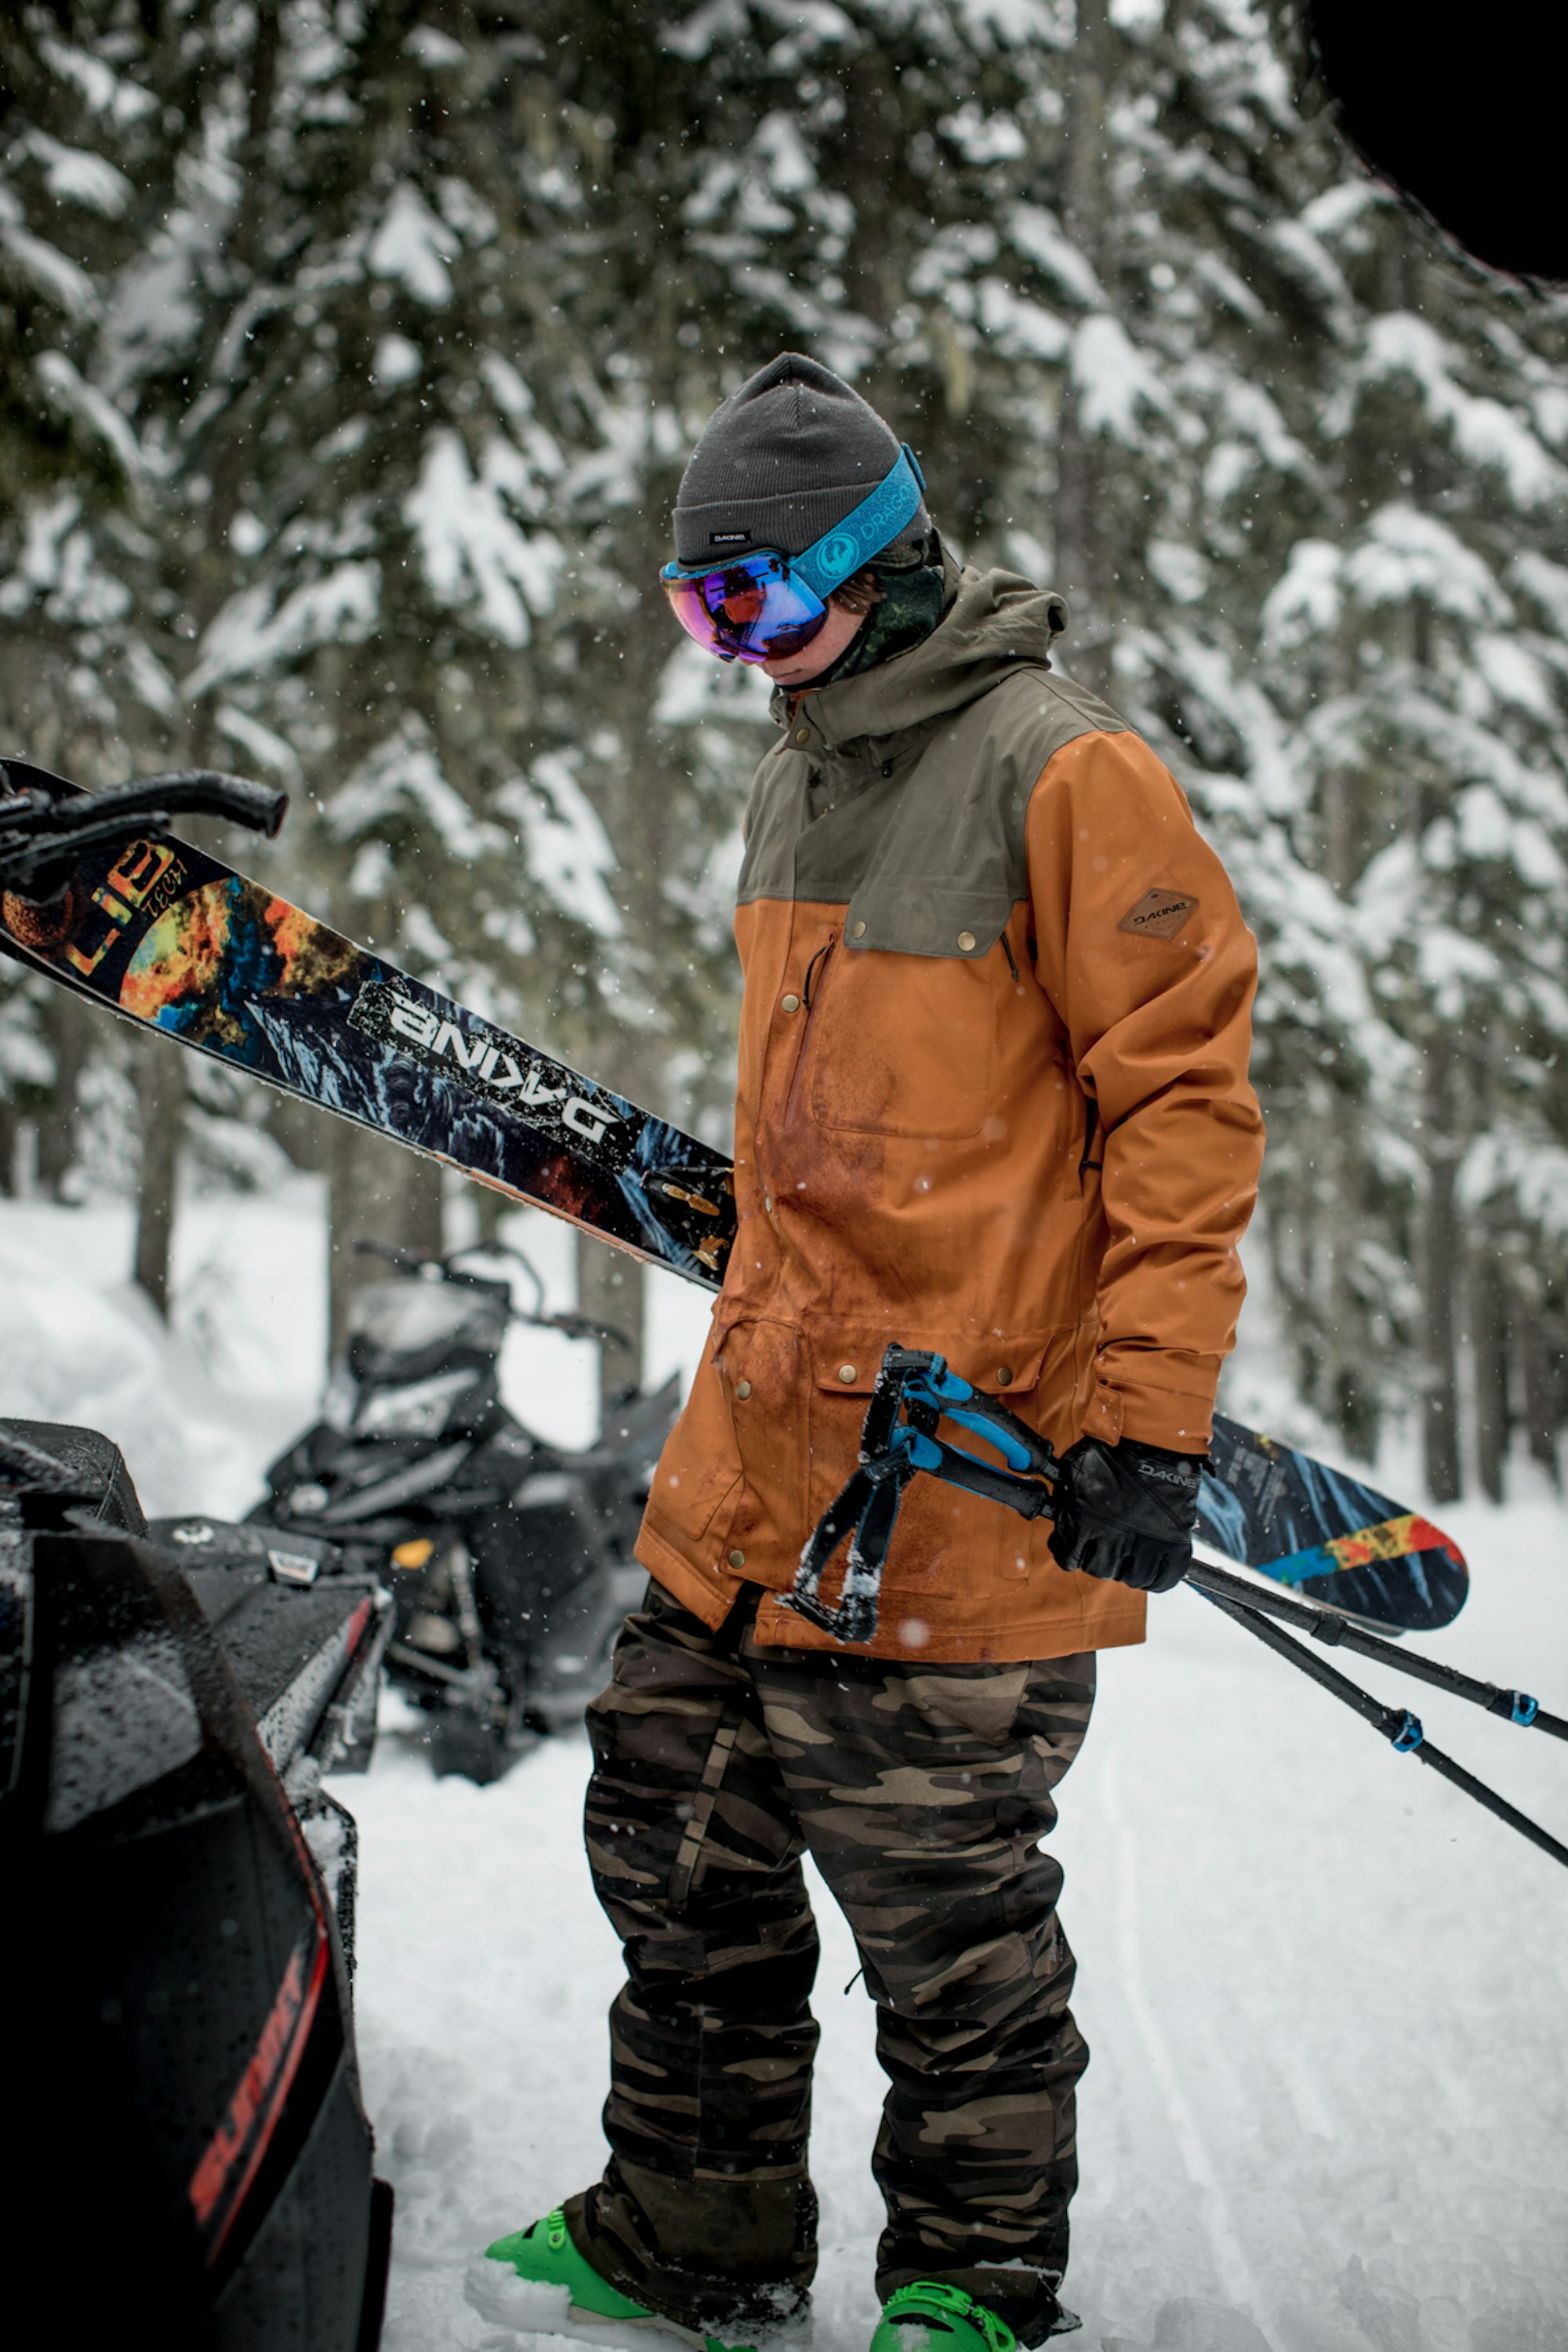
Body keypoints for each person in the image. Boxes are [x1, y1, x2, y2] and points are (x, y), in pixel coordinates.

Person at [485, 354, 1265, 2352]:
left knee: (946, 1930)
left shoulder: (1060, 771)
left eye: (747, 602)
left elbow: (1183, 1106)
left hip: (955, 1481)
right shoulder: (798, 755)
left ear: (873, 563)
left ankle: (973, 2287)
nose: (726, 652)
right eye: (693, 612)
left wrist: (1146, 1421)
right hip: (750, 1459)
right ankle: (695, 2232)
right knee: (675, 1857)